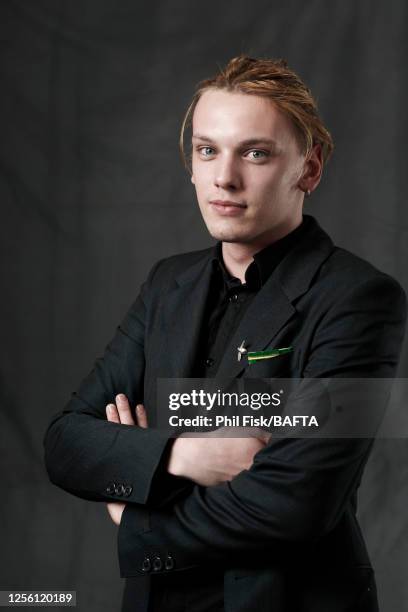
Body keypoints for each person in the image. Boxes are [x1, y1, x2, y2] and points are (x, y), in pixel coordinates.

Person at [44, 55, 407, 612]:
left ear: (308, 169)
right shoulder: (168, 283)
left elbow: (293, 505)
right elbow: (67, 443)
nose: (223, 177)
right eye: (207, 150)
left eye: (255, 153)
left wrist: (136, 513)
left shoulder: (359, 298)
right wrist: (180, 455)